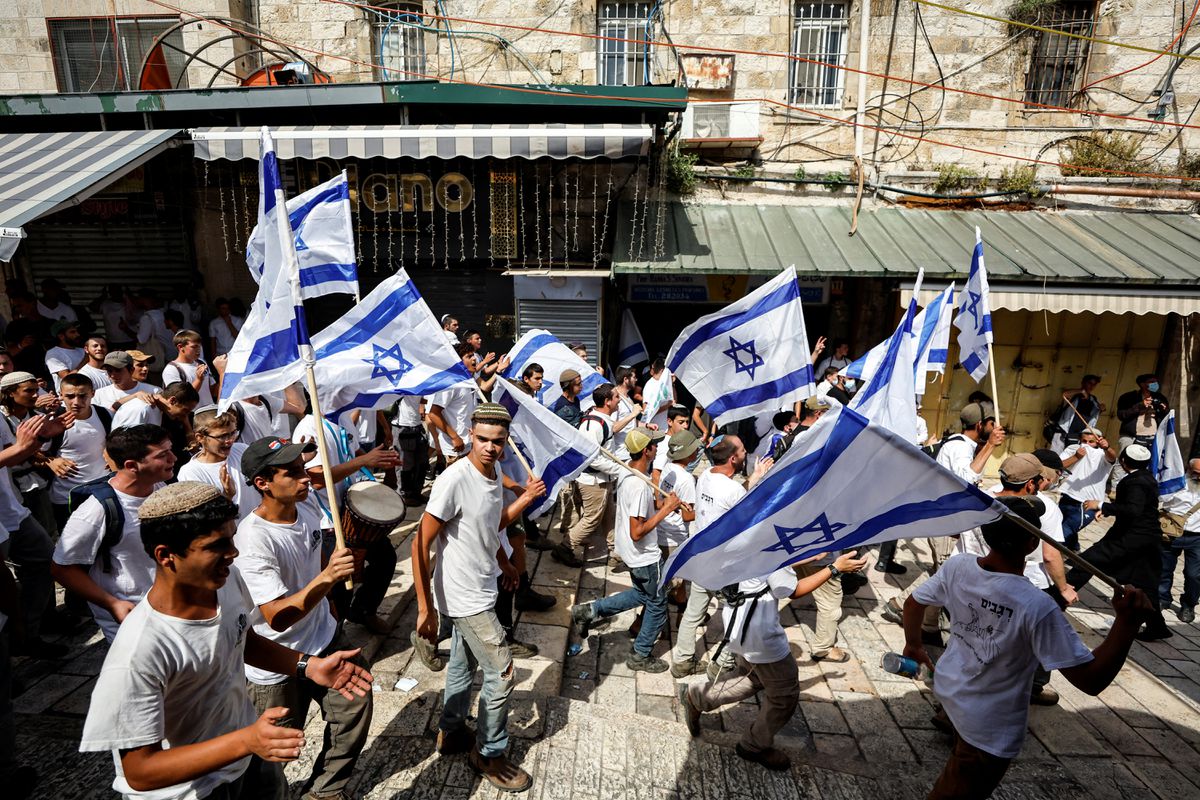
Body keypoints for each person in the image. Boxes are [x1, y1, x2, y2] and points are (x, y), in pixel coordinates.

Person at [80, 481, 373, 800]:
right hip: (191, 792)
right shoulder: (140, 651)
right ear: (166, 556)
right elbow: (139, 771)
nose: (233, 553)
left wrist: (308, 666)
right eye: (215, 546)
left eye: (231, 540)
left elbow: (242, 638)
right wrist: (246, 741)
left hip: (248, 767)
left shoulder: (225, 580)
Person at [903, 496, 1152, 800]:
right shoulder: (1036, 606)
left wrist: (914, 645)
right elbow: (1091, 679)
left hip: (952, 695)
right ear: (1033, 543)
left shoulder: (959, 566)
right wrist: (1125, 624)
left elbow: (913, 603)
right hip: (988, 731)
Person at [412, 403, 546, 793]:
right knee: (503, 672)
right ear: (470, 434)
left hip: (484, 582)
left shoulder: (497, 470)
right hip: (462, 593)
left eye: (498, 441)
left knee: (461, 662)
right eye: (483, 439)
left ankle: (452, 732)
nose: (490, 448)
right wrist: (424, 608)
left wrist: (505, 562)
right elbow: (419, 545)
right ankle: (489, 754)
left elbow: (490, 525)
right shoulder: (453, 480)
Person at [237, 436, 373, 800]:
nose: (305, 478)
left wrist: (327, 596)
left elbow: (311, 560)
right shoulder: (252, 541)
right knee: (276, 750)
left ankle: (325, 791)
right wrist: (327, 577)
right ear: (262, 484)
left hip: (325, 637)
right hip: (276, 661)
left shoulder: (307, 503)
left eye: (303, 468)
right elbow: (276, 617)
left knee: (354, 708)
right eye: (292, 473)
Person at [678, 549, 867, 771]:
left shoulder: (748, 540)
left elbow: (769, 570)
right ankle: (754, 745)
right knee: (784, 696)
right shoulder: (770, 550)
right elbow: (792, 590)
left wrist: (810, 558)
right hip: (761, 635)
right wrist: (834, 569)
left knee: (751, 678)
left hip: (740, 624)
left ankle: (698, 697)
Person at [880, 401, 1006, 641]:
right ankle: (900, 605)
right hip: (946, 519)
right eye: (992, 423)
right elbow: (965, 480)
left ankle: (928, 627)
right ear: (980, 425)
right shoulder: (960, 447)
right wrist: (989, 446)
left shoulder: (964, 445)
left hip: (948, 518)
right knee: (946, 574)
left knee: (943, 571)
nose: (996, 427)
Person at [570, 427, 682, 673]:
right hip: (644, 555)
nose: (657, 448)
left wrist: (663, 504)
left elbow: (641, 512)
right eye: (654, 445)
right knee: (657, 602)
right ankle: (641, 654)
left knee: (642, 594)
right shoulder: (640, 485)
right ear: (647, 451)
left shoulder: (629, 473)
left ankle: (590, 610)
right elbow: (637, 531)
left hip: (632, 553)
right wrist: (665, 510)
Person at [52, 424, 175, 642]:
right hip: (133, 618)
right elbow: (62, 568)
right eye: (163, 455)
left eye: (170, 451)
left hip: (170, 607)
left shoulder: (161, 487)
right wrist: (112, 603)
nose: (173, 458)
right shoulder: (94, 512)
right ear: (131, 465)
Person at [670, 435, 772, 679]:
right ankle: (722, 663)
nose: (747, 453)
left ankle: (682, 661)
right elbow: (746, 516)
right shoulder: (733, 489)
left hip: (701, 559)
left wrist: (754, 478)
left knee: (693, 612)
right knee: (736, 614)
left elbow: (732, 501)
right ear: (734, 458)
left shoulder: (706, 477)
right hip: (725, 567)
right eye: (744, 450)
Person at [1068, 444, 1174, 640]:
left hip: (1129, 539)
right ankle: (1157, 626)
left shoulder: (1134, 482)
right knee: (1146, 584)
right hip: (1148, 540)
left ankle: (1057, 597)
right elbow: (1135, 507)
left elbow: (1133, 509)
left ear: (1123, 461)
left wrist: (1099, 504)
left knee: (1087, 561)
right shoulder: (1147, 478)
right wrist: (1109, 509)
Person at [0, 401, 70, 658]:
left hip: (10, 509)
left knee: (43, 558)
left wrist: (38, 438)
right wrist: (21, 446)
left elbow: (12, 456)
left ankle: (27, 634)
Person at [551, 383, 623, 568]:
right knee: (592, 519)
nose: (619, 399)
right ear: (607, 402)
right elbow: (591, 458)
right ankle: (565, 547)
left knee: (609, 515)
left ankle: (615, 550)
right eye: (616, 397)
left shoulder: (602, 421)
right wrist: (619, 470)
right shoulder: (593, 425)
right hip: (593, 482)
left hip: (603, 480)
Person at [47, 373, 112, 530]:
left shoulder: (106, 415)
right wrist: (50, 461)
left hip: (101, 493)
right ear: (60, 395)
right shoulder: (52, 422)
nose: (76, 402)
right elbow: (32, 453)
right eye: (70, 396)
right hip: (66, 497)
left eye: (82, 396)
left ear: (93, 394)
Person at [178, 408, 253, 520]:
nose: (230, 440)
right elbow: (203, 518)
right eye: (222, 436)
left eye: (233, 433)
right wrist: (227, 495)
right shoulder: (190, 473)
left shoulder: (242, 450)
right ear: (200, 437)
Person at [1056, 427, 1116, 552]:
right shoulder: (1073, 449)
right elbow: (1058, 465)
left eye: (1091, 442)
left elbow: (1112, 457)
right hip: (1067, 496)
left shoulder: (1101, 455)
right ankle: (1075, 551)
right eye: (1084, 441)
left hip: (1087, 503)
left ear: (1098, 442)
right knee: (1063, 526)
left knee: (1063, 532)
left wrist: (1107, 447)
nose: (1087, 444)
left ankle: (1051, 556)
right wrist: (1076, 457)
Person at [1160, 458, 1200, 624]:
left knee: (1194, 574)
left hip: (1197, 536)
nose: (1198, 478)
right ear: (1188, 470)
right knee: (1164, 568)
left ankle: (1189, 604)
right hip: (1171, 533)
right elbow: (1163, 500)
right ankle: (1162, 597)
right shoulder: (1175, 483)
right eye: (1196, 473)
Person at [427, 344, 480, 465]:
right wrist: (455, 437)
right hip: (455, 447)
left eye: (474, 356)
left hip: (468, 443)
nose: (474, 359)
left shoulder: (468, 382)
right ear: (459, 361)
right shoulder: (451, 384)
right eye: (469, 356)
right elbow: (433, 414)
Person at [1112, 373, 1168, 487]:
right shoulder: (1128, 397)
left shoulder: (1160, 397)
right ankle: (1115, 487)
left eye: (1155, 381)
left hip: (1151, 436)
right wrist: (1140, 406)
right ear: (1142, 384)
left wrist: (1163, 409)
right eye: (1151, 382)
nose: (1155, 384)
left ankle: (1138, 486)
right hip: (1131, 435)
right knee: (1123, 460)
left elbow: (1166, 416)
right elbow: (1122, 415)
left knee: (1146, 463)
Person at [110, 380, 199, 430]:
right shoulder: (142, 408)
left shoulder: (158, 410)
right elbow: (124, 443)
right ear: (172, 400)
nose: (185, 416)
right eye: (185, 410)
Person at [1048, 374, 1103, 451]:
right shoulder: (1075, 396)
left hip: (1079, 435)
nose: (1091, 386)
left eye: (1094, 384)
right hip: (1064, 432)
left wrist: (1101, 408)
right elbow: (1064, 394)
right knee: (1056, 457)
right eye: (1089, 383)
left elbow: (1093, 416)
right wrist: (1081, 391)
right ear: (1083, 383)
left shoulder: (1093, 399)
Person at [163, 329, 216, 407]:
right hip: (192, 415)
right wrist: (198, 380)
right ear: (180, 347)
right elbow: (181, 398)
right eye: (194, 347)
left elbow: (212, 387)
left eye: (199, 346)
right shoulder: (172, 369)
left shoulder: (201, 362)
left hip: (208, 411)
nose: (198, 350)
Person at [392, 394, 429, 506]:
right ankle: (404, 495)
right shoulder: (401, 378)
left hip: (416, 424)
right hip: (402, 425)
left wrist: (423, 403)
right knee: (404, 465)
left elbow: (419, 397)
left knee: (421, 463)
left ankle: (416, 492)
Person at [93, 351, 160, 412]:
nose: (113, 375)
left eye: (118, 370)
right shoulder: (99, 395)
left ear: (131, 370)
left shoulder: (154, 391)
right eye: (109, 371)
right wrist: (134, 396)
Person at [650, 404, 690, 481]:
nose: (685, 426)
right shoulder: (665, 444)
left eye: (687, 422)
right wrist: (659, 493)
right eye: (681, 422)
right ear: (669, 421)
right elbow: (656, 474)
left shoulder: (676, 440)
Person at [45, 320, 85, 391]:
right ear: (61, 336)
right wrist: (86, 360)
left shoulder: (82, 351)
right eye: (72, 332)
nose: (77, 335)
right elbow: (67, 378)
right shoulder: (53, 354)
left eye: (77, 331)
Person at [641, 358, 674, 430]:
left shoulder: (666, 383)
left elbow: (674, 401)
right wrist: (667, 406)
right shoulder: (649, 385)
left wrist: (672, 384)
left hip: (665, 427)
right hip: (654, 428)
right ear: (662, 370)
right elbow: (646, 410)